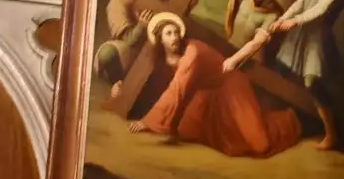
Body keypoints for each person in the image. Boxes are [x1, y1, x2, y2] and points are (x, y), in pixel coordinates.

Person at [223, 0, 344, 151]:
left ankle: (330, 133)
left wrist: (291, 21)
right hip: (299, 33)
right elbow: (300, 3)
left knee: (311, 82)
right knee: (283, 71)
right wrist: (284, 19)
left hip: (316, 37)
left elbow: (320, 9)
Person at [128, 12, 301, 158]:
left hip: (232, 87)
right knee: (186, 131)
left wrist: (148, 121)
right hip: (209, 94)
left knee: (261, 145)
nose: (174, 37)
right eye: (168, 34)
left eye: (176, 32)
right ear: (160, 38)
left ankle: (289, 121)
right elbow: (179, 89)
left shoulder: (192, 52)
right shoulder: (165, 58)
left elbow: (177, 89)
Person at [94, 0, 172, 85]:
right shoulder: (115, 7)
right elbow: (128, 40)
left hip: (166, 22)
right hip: (142, 46)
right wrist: (141, 25)